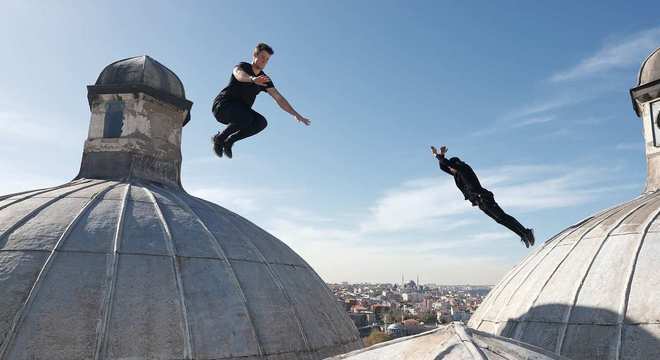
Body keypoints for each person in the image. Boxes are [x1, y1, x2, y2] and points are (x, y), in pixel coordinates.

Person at [211, 43, 311, 158]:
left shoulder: (265, 79)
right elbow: (239, 75)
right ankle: (219, 139)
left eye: (267, 59)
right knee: (246, 117)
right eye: (263, 57)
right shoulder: (243, 66)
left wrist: (295, 114)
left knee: (261, 122)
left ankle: (230, 141)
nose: (264, 61)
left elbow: (278, 97)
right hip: (223, 106)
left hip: (240, 114)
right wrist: (252, 79)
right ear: (255, 55)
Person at [431, 145, 535, 248]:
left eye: (451, 167)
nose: (450, 170)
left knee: (502, 216)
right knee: (500, 220)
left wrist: (438, 155)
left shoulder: (463, 168)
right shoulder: (457, 174)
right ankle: (523, 234)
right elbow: (443, 167)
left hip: (484, 197)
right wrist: (441, 155)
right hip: (479, 201)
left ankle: (527, 232)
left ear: (455, 165)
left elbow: (446, 163)